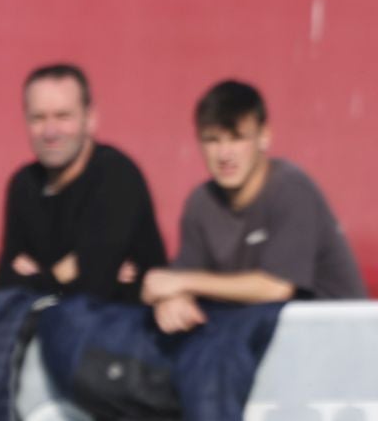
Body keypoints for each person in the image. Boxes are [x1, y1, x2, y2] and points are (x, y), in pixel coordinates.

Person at [144, 79, 366, 333]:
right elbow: (173, 283)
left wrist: (182, 284)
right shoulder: (200, 203)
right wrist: (172, 302)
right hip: (261, 340)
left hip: (340, 338)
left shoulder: (291, 190)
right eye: (212, 140)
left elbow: (276, 288)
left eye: (237, 138)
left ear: (265, 136)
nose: (225, 154)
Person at [0, 63, 166, 303]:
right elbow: (3, 289)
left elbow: (94, 290)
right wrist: (63, 273)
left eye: (63, 116)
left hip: (122, 331)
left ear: (90, 119)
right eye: (38, 118)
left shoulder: (117, 176)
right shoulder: (24, 185)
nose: (50, 131)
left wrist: (38, 277)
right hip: (46, 333)